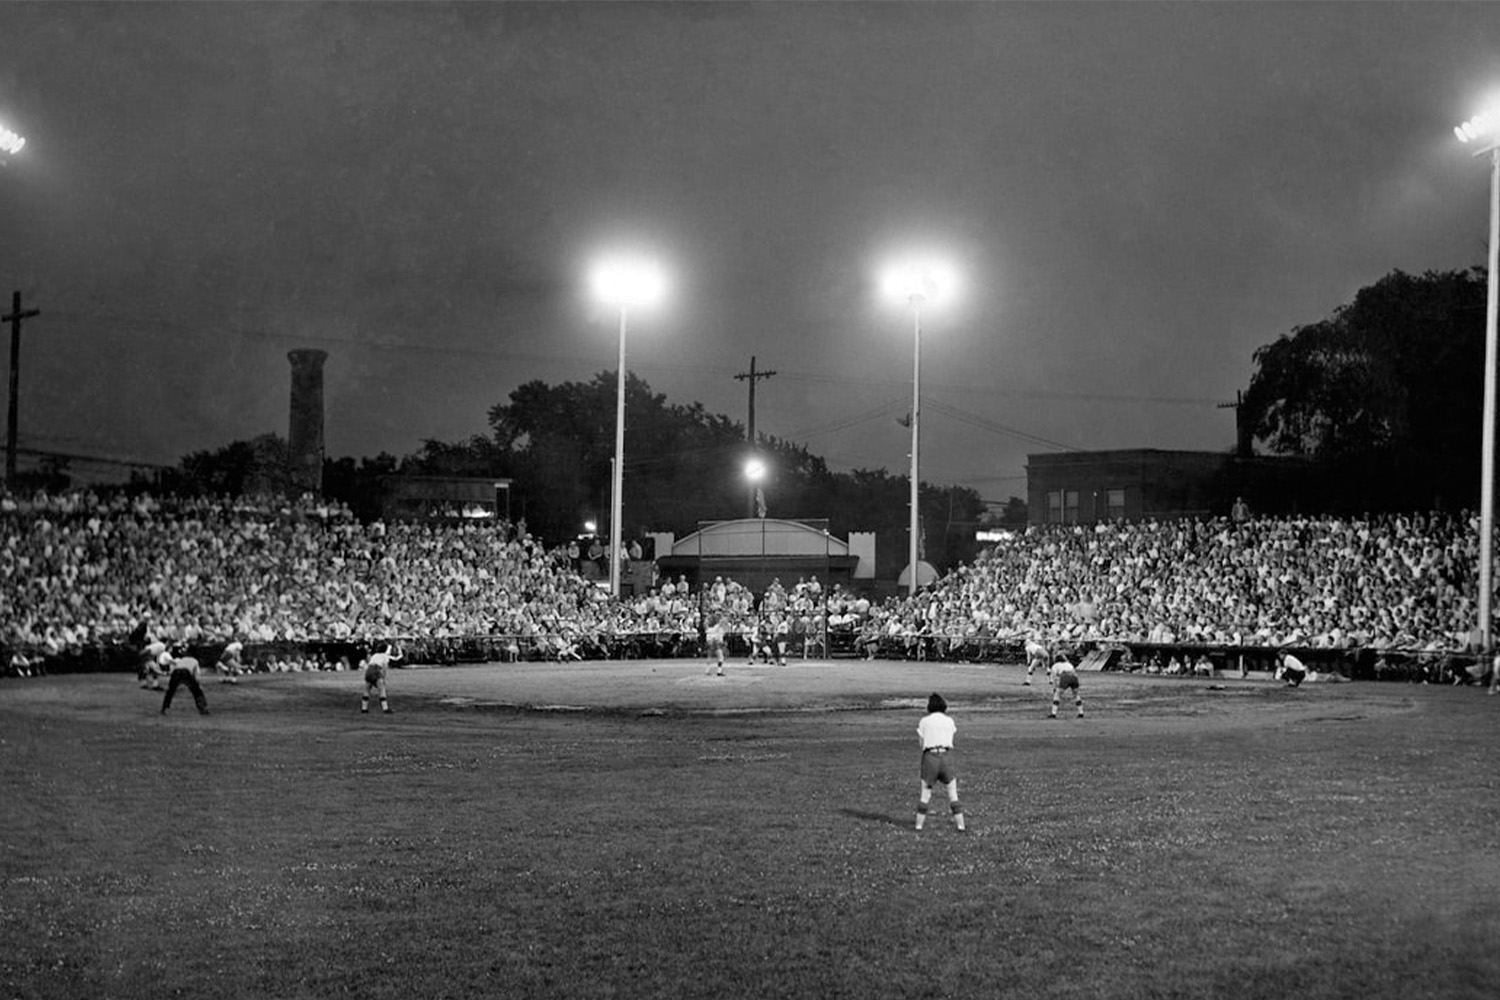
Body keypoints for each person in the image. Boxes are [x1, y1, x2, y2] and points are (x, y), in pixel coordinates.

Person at [914, 692, 965, 833]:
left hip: (930, 757)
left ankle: (918, 826)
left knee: (925, 793)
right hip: (946, 756)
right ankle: (961, 825)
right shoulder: (949, 721)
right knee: (953, 793)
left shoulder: (924, 721)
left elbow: (921, 743)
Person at [361, 643, 403, 714]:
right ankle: (385, 708)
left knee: (367, 690)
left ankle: (364, 708)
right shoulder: (385, 656)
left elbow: (370, 663)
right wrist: (383, 678)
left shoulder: (374, 655)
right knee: (381, 689)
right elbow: (384, 667)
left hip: (369, 671)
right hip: (376, 671)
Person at [1049, 655, 1084, 719]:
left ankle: (1053, 713)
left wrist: (1054, 687)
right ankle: (1081, 712)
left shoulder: (1055, 665)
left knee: (1057, 695)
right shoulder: (1069, 664)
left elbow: (1054, 677)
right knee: (1076, 695)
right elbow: (1074, 672)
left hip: (1065, 677)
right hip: (1074, 677)